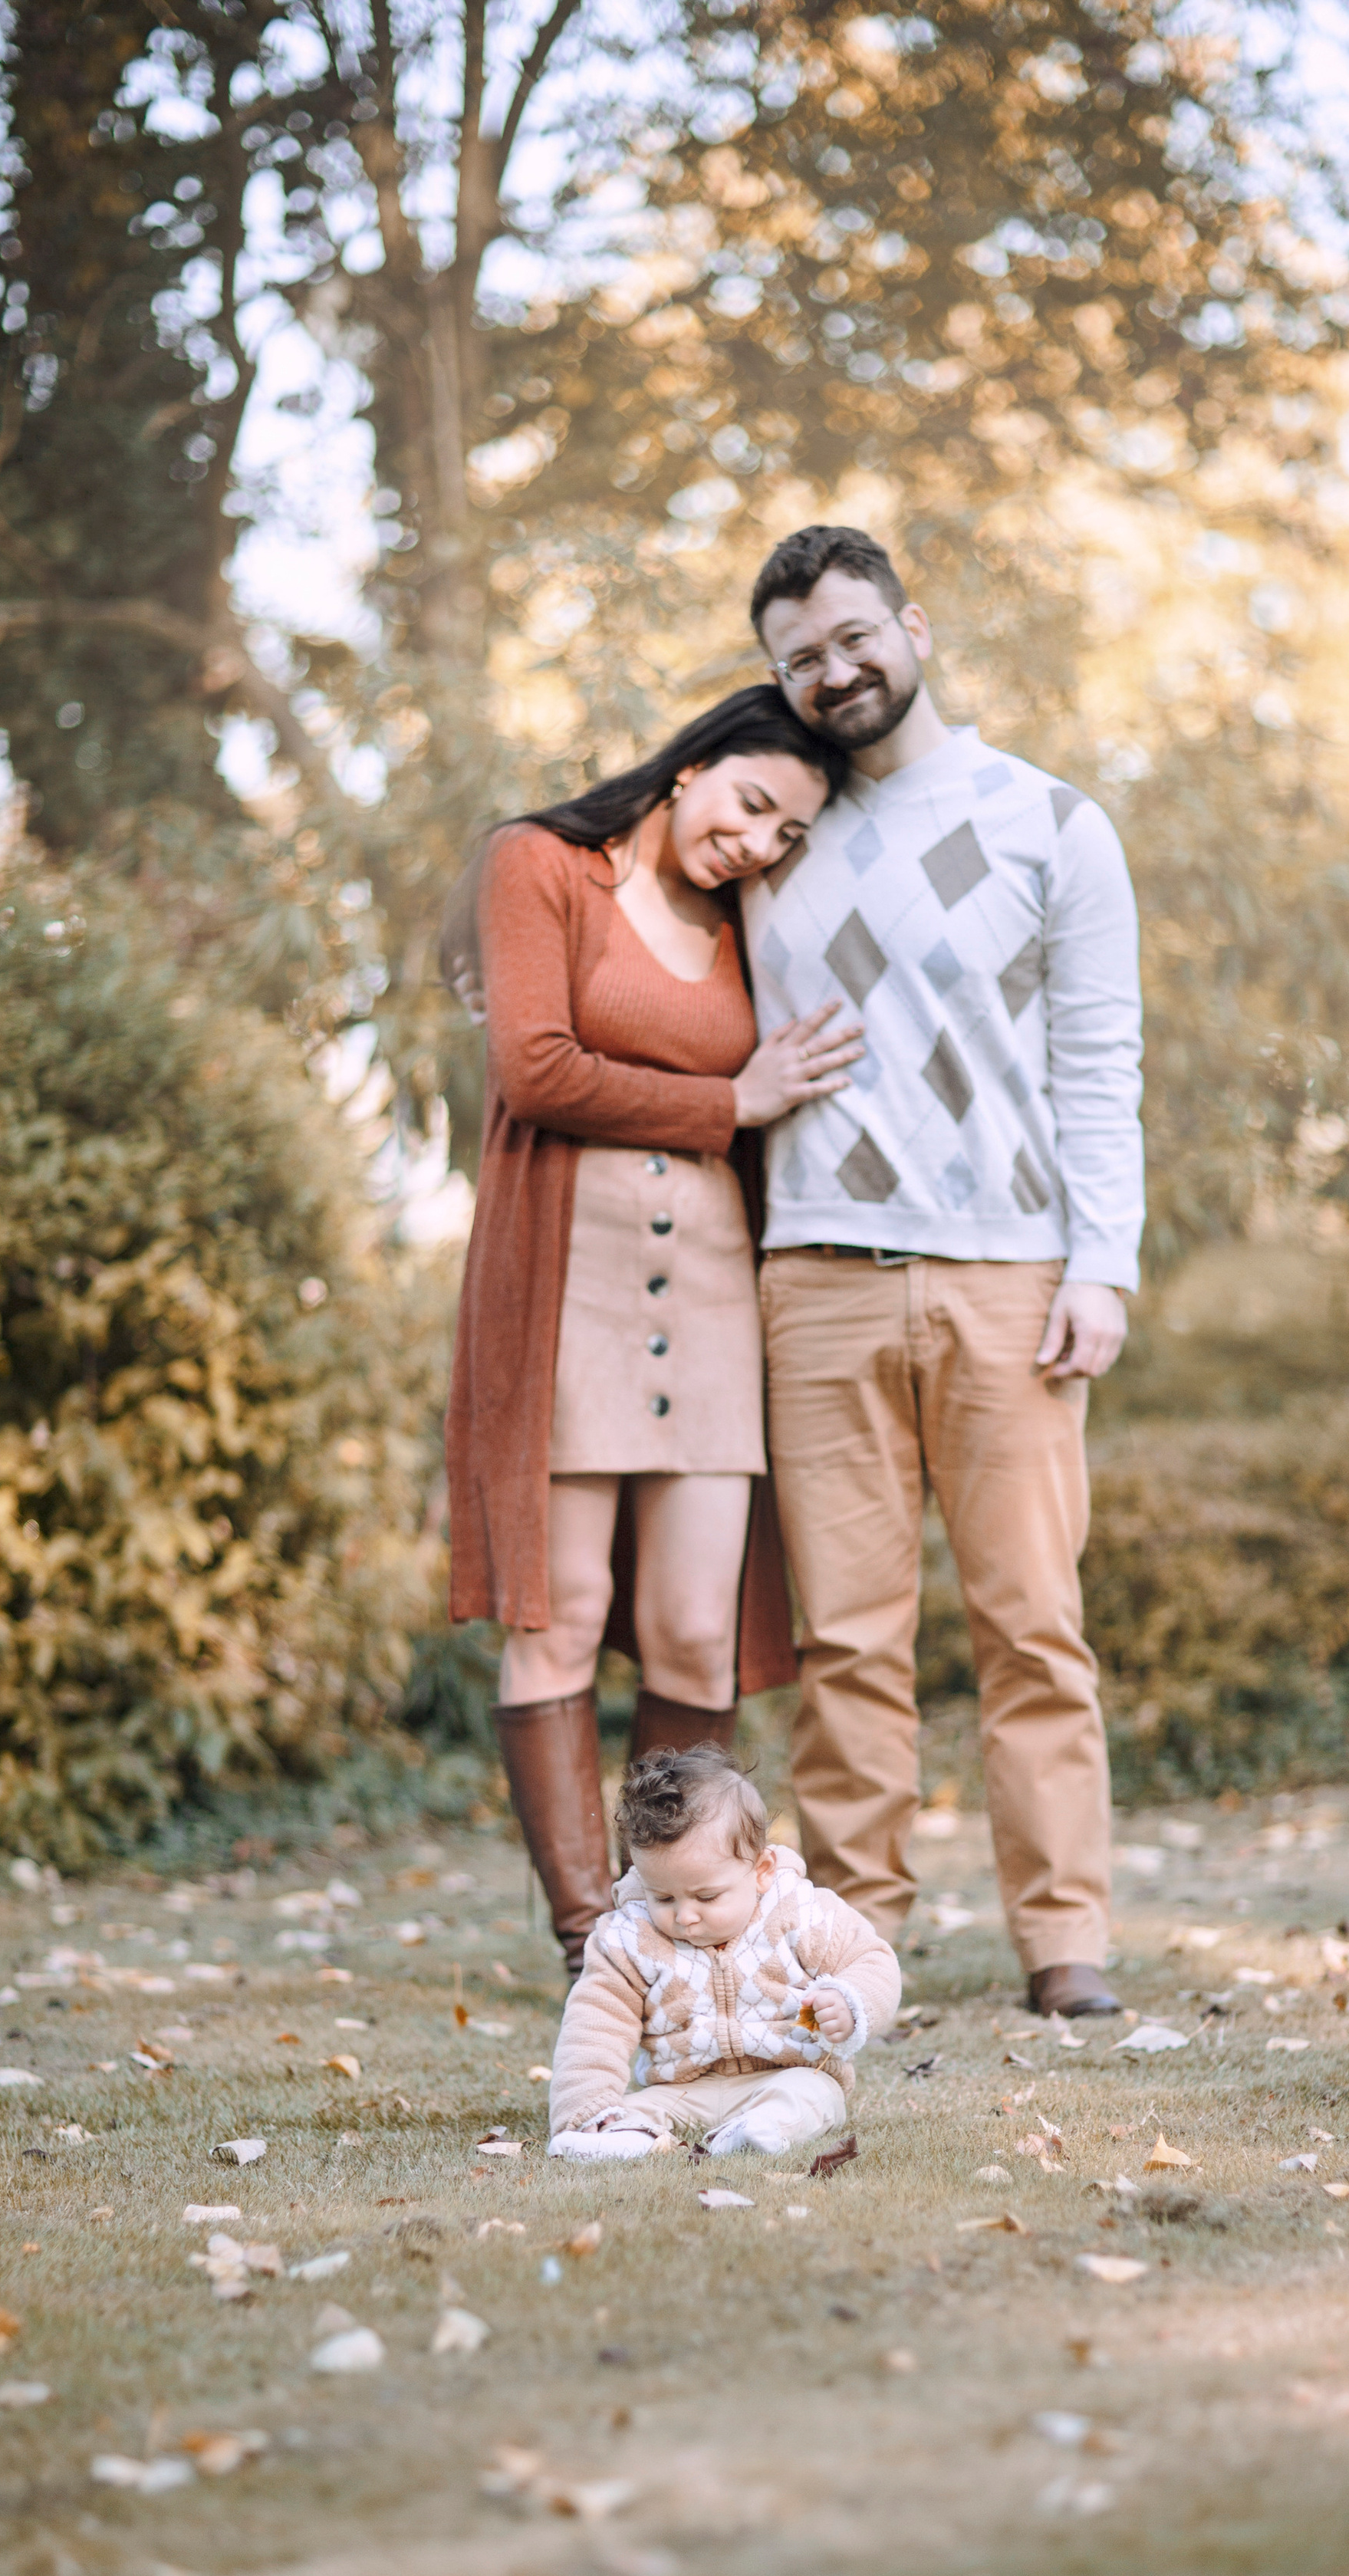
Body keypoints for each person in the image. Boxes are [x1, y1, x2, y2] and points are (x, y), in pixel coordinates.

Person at [740, 525, 1145, 2021]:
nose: (833, 671)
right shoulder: (769, 834)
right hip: (817, 1280)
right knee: (845, 1642)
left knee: (1029, 1622)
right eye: (800, 658)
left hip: (1008, 1278)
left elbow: (1098, 1061)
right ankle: (857, 1959)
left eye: (852, 637)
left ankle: (1063, 1944)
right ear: (777, 676)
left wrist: (1100, 1265)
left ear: (912, 625)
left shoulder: (1048, 823)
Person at [445, 688, 862, 1972]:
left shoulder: (749, 924)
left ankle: (676, 1921)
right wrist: (733, 1096)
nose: (760, 845)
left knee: (695, 1626)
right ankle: (591, 1940)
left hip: (718, 1298)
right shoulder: (542, 868)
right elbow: (537, 1068)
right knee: (559, 1615)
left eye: (789, 834)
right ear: (690, 769)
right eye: (751, 806)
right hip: (570, 1286)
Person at [547, 1744, 900, 2160]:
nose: (685, 1917)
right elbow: (595, 2025)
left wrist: (850, 2001)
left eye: (707, 1896)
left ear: (762, 1871)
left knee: (813, 2096)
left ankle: (759, 2132)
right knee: (631, 2111)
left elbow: (872, 1960)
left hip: (787, 2073)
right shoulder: (629, 1938)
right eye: (663, 1897)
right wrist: (588, 2108)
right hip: (679, 2089)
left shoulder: (802, 1913)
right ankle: (620, 2137)